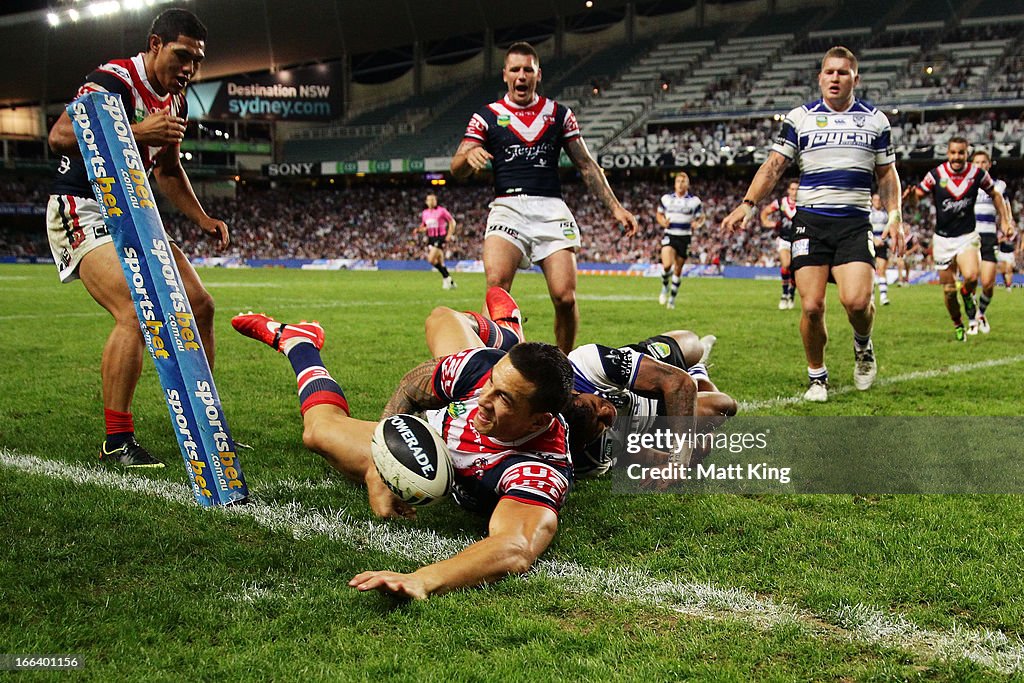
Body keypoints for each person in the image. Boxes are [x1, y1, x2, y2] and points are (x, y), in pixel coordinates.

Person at [231, 292, 575, 600]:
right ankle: (508, 334)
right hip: (429, 426)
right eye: (492, 385)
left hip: (443, 453)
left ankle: (298, 343)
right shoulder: (480, 369)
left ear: (537, 421)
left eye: (504, 398)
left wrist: (424, 579)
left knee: (318, 432)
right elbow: (413, 387)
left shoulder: (537, 469)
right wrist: (385, 460)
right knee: (441, 316)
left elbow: (514, 547)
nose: (486, 398)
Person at [45, 9, 229, 467]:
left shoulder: (177, 101)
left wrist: (202, 218)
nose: (189, 68)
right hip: (82, 208)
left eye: (197, 60)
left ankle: (207, 422)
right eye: (182, 55)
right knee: (135, 307)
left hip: (135, 214)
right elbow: (60, 136)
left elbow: (167, 170)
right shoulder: (112, 80)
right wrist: (135, 129)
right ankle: (116, 440)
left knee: (201, 304)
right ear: (154, 45)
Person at [722, 46, 903, 402]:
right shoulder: (800, 118)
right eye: (829, 72)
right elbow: (774, 166)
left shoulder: (874, 120)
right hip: (810, 223)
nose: (835, 78)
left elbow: (887, 174)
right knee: (811, 306)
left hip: (854, 223)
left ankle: (863, 346)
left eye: (843, 72)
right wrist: (747, 204)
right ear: (820, 78)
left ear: (855, 78)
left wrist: (895, 216)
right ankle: (817, 377)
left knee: (855, 302)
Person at [450, 41, 639, 353]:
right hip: (507, 207)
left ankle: (563, 368)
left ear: (538, 74)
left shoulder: (559, 114)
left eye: (528, 69)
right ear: (505, 75)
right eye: (515, 70)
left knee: (565, 296)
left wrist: (616, 208)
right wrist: (468, 158)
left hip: (551, 208)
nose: (521, 75)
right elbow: (456, 167)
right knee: (497, 285)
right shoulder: (487, 116)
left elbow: (586, 165)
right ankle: (491, 366)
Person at [903, 138, 1015, 340]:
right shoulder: (936, 174)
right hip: (943, 239)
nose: (956, 157)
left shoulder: (977, 174)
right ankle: (958, 323)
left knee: (972, 276)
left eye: (961, 153)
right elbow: (917, 197)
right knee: (948, 291)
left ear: (966, 154)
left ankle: (967, 294)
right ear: (948, 153)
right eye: (953, 152)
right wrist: (910, 197)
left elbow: (996, 195)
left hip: (967, 236)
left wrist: (1005, 220)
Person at [971, 150, 1016, 330]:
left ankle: (980, 312)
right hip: (970, 237)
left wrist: (1007, 223)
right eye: (977, 162)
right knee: (970, 278)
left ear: (989, 165)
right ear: (972, 165)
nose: (980, 165)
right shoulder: (966, 186)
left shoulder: (999, 186)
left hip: (989, 237)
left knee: (988, 284)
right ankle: (972, 319)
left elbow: (1005, 206)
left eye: (983, 162)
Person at [655, 172, 705, 310]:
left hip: (684, 237)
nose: (681, 184)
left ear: (688, 184)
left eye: (683, 181)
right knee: (667, 265)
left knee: (678, 269)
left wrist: (697, 223)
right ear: (675, 183)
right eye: (678, 181)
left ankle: (672, 299)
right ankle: (665, 286)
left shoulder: (694, 201)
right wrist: (662, 221)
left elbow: (701, 217)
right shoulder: (666, 199)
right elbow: (659, 214)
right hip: (670, 234)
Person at [759, 179, 799, 309]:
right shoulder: (781, 202)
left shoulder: (803, 204)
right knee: (786, 264)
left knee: (795, 270)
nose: (794, 192)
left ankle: (791, 293)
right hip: (784, 239)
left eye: (797, 189)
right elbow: (765, 212)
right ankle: (784, 294)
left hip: (799, 240)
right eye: (792, 189)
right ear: (788, 190)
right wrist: (769, 223)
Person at [416, 193, 457, 290]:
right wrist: (418, 230)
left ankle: (447, 279)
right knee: (439, 261)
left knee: (431, 259)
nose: (431, 201)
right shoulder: (425, 213)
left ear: (436, 201)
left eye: (433, 199)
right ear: (426, 202)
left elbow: (452, 222)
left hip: (440, 237)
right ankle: (448, 281)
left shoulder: (442, 211)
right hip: (431, 238)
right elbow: (425, 227)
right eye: (429, 200)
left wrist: (449, 235)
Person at [869, 193, 891, 305]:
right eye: (875, 199)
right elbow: (865, 229)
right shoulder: (868, 213)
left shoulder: (886, 214)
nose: (877, 201)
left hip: (882, 245)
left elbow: (890, 229)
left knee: (882, 269)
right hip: (870, 244)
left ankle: (883, 297)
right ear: (872, 201)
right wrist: (874, 240)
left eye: (879, 199)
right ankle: (871, 297)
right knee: (871, 271)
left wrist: (886, 241)